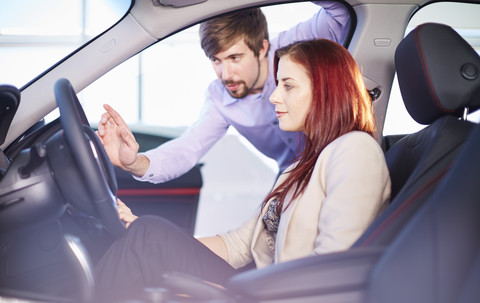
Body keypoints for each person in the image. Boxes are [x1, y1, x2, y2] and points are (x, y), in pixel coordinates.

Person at [94, 39, 391, 303]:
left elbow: (333, 269)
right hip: (265, 287)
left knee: (150, 235)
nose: (274, 97)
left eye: (288, 86)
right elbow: (238, 245)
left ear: (325, 91)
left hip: (288, 299)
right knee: (150, 233)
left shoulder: (355, 150)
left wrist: (245, 293)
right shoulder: (299, 167)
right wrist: (153, 237)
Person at [96, 2, 350, 183]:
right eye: (216, 60)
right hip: (291, 176)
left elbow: (342, 13)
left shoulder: (295, 46)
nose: (225, 73)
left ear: (262, 48)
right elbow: (188, 148)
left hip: (337, 164)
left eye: (235, 57)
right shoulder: (219, 97)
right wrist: (134, 162)